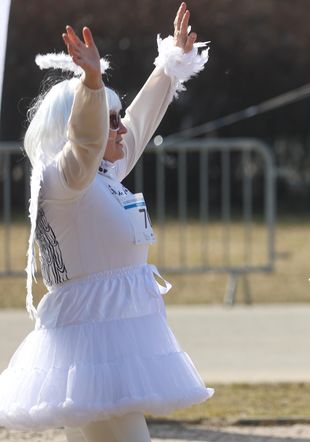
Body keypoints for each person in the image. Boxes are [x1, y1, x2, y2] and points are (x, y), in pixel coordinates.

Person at [0, 3, 212, 440]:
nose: (119, 128)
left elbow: (139, 121)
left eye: (115, 117)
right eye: (108, 119)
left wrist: (170, 65)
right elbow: (86, 140)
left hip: (108, 343)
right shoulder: (66, 178)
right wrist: (91, 84)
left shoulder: (102, 174)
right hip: (90, 345)